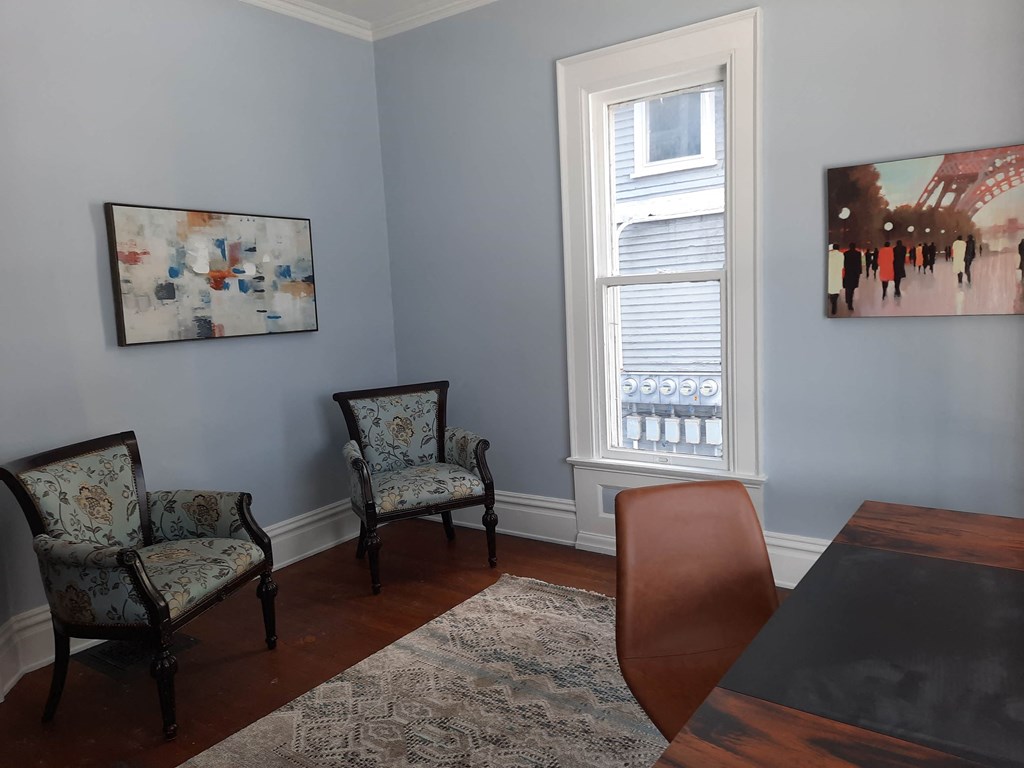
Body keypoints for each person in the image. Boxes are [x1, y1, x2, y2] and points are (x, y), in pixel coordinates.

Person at [843, 242, 862, 311]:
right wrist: (859, 272)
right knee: (852, 288)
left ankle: (847, 299)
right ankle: (850, 303)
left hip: (848, 272)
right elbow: (859, 263)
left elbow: (844, 263)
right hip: (855, 273)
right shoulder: (858, 254)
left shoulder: (846, 253)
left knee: (848, 287)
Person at [827, 244, 843, 315]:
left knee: (830, 289)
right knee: (836, 289)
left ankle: (832, 300)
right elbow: (842, 265)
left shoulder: (829, 254)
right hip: (837, 274)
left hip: (830, 273)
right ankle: (834, 303)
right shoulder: (841, 255)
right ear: (838, 248)